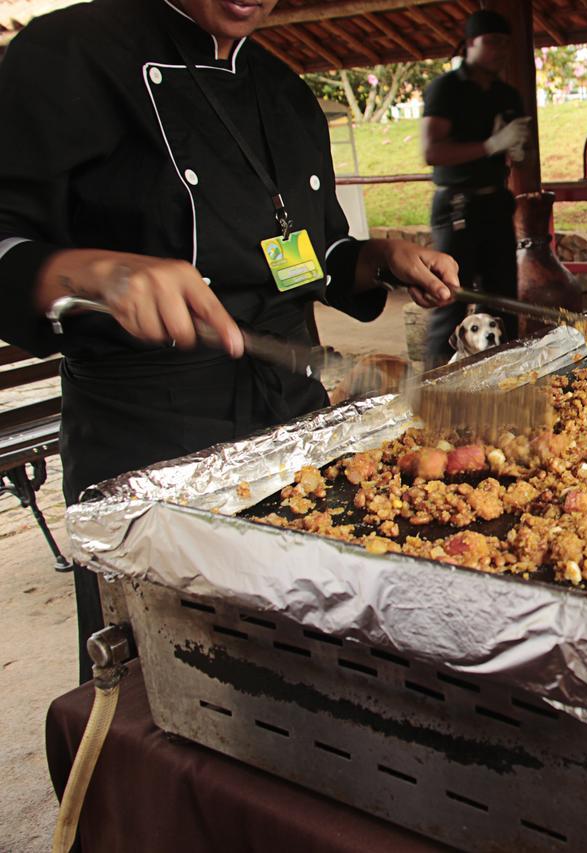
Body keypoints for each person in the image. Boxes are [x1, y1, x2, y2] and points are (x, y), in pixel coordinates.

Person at [0, 0, 461, 680]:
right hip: (149, 442)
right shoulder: (68, 53)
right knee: (171, 687)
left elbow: (311, 253)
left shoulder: (285, 91)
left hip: (293, 424)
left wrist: (377, 259)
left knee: (313, 668)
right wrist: (89, 272)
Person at [420, 9, 531, 359]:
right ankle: (437, 393)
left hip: (495, 204)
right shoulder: (447, 89)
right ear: (470, 44)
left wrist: (514, 147)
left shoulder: (507, 95)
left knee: (504, 303)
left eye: (505, 45)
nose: (500, 50)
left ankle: (511, 380)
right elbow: (432, 151)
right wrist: (489, 145)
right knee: (450, 298)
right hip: (457, 207)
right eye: (492, 42)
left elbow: (517, 153)